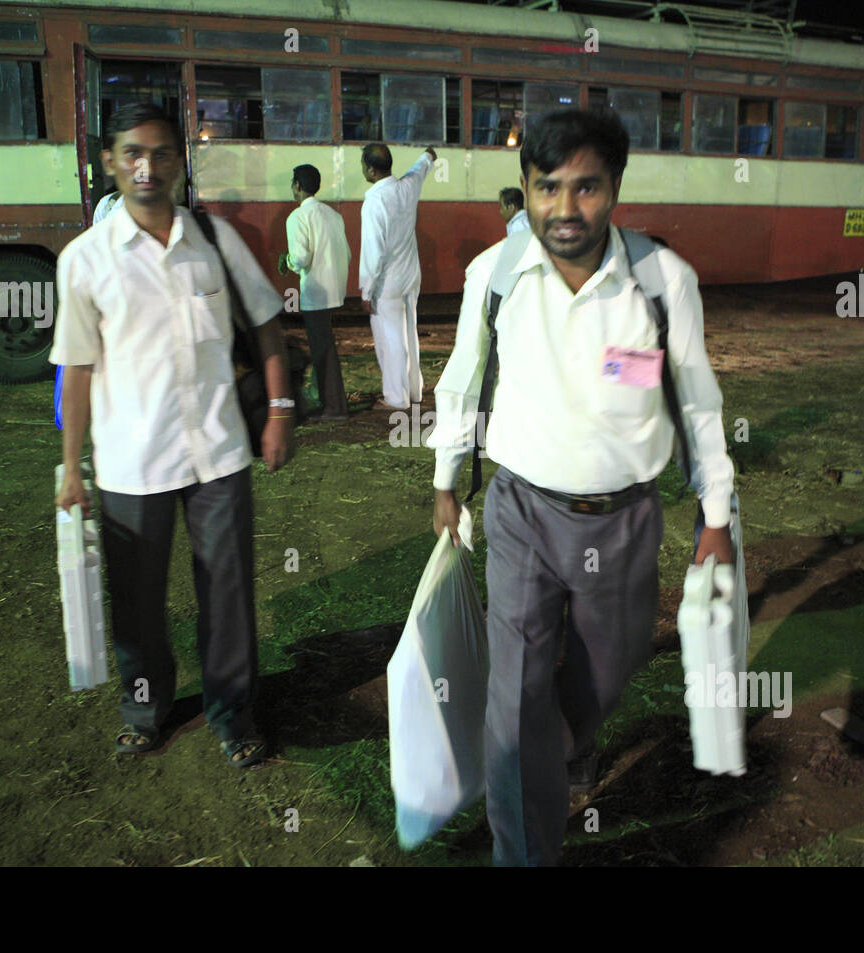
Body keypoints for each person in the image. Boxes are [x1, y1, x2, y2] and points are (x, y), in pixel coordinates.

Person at [427, 109, 736, 866]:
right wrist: (446, 481)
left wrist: (717, 514)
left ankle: (570, 744)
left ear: (616, 187)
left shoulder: (663, 281)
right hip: (523, 512)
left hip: (626, 521)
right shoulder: (495, 277)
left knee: (609, 667)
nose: (565, 210)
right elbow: (462, 382)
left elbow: (696, 399)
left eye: (586, 187)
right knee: (518, 692)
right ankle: (524, 847)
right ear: (526, 190)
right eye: (547, 188)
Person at [51, 102, 294, 768]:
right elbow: (75, 371)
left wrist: (279, 410)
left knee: (228, 592)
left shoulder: (214, 242)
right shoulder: (86, 261)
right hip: (132, 461)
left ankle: (233, 712)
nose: (147, 167)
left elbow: (268, 325)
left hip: (218, 453)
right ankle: (144, 711)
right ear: (109, 162)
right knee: (136, 603)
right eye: (132, 153)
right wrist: (72, 467)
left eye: (160, 153)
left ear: (179, 163)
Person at [359, 142, 435, 411]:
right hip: (411, 276)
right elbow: (420, 169)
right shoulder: (406, 188)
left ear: (370, 169)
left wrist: (366, 290)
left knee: (390, 340)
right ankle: (414, 391)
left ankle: (395, 397)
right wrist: (428, 155)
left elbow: (373, 252)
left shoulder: (374, 201)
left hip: (387, 282)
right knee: (409, 334)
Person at [280, 163, 352, 420]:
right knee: (325, 343)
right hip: (335, 288)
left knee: (322, 348)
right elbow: (347, 253)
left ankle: (334, 407)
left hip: (315, 291)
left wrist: (287, 261)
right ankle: (322, 394)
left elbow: (300, 258)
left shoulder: (297, 217)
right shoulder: (334, 215)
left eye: (292, 183)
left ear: (298, 186)